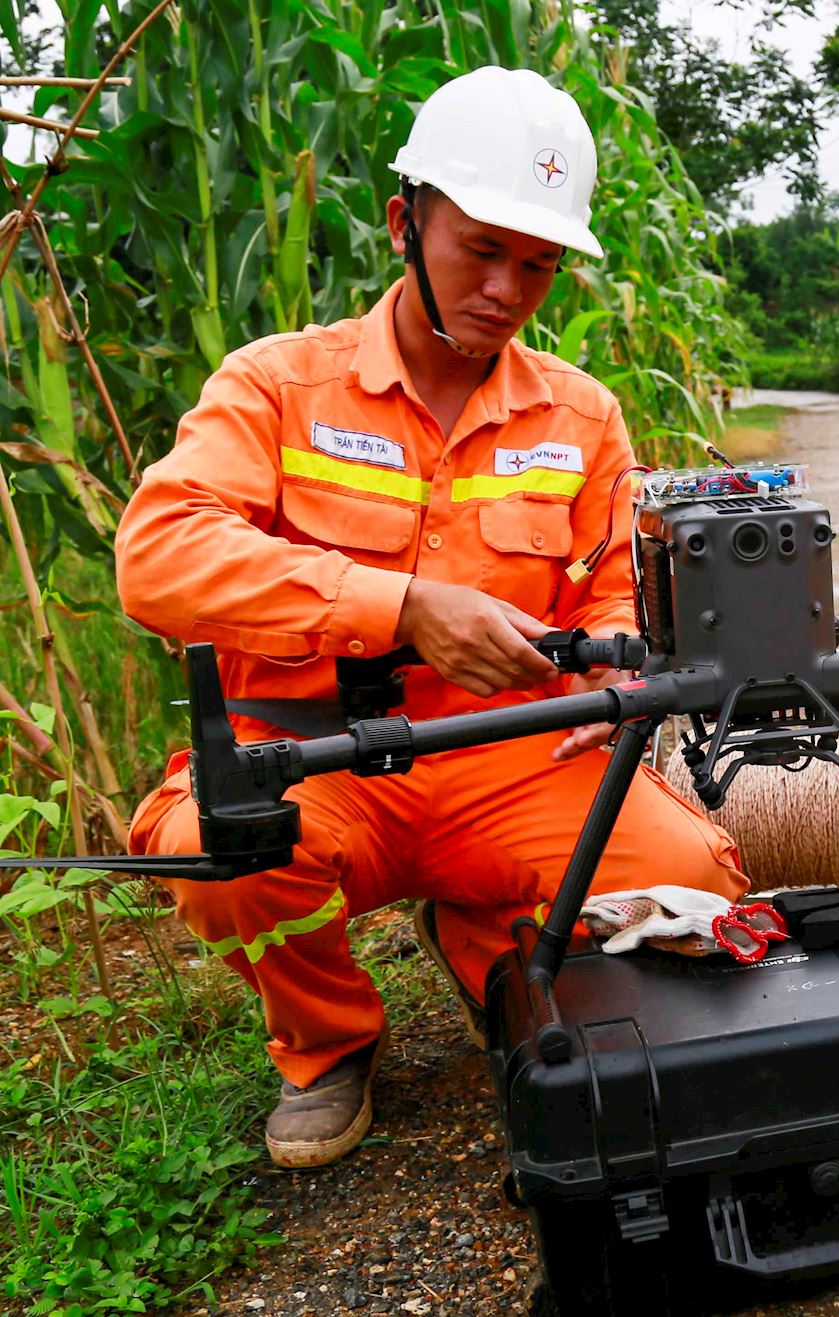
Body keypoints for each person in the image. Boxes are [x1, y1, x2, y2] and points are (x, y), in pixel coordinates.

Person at [117, 67, 749, 1170]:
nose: (508, 288)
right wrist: (396, 606)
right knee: (220, 847)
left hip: (512, 755)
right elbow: (159, 558)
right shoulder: (275, 387)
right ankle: (325, 1046)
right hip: (312, 757)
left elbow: (617, 585)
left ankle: (488, 942)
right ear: (408, 224)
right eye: (483, 250)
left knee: (687, 877)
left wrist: (626, 666)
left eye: (539, 266)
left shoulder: (580, 413)